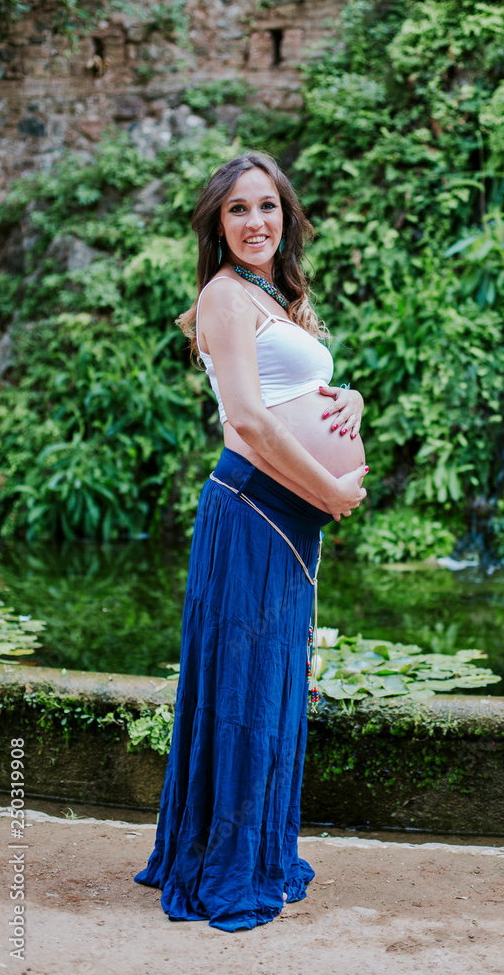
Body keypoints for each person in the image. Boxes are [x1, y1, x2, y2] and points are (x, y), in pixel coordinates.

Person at [134, 152, 368, 931]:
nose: (255, 222)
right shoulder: (224, 298)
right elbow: (252, 421)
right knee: (244, 688)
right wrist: (331, 489)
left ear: (286, 215)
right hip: (256, 506)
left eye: (267, 206)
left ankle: (249, 848)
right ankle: (228, 863)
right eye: (237, 209)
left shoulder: (271, 293)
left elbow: (296, 391)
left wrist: (351, 402)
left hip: (286, 515)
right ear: (216, 222)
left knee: (269, 681)